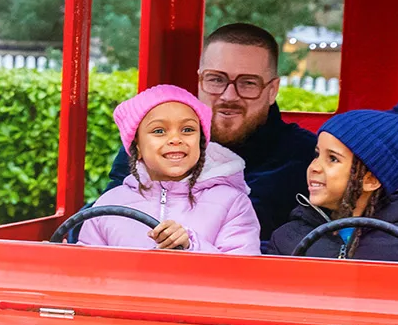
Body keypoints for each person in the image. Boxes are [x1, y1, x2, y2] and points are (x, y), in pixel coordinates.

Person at [103, 23, 317, 237]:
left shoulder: (305, 157)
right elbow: (102, 219)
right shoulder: (151, 145)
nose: (229, 96)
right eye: (216, 79)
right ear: (199, 81)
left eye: (248, 83)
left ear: (272, 90)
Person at [265, 98, 398, 263]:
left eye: (333, 158)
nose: (314, 167)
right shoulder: (287, 239)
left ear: (371, 180)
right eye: (317, 154)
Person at [78, 85, 262, 254]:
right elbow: (87, 272)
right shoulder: (109, 203)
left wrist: (191, 246)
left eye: (188, 129)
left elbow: (243, 273)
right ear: (138, 147)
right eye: (159, 131)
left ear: (201, 142)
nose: (175, 139)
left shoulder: (232, 203)